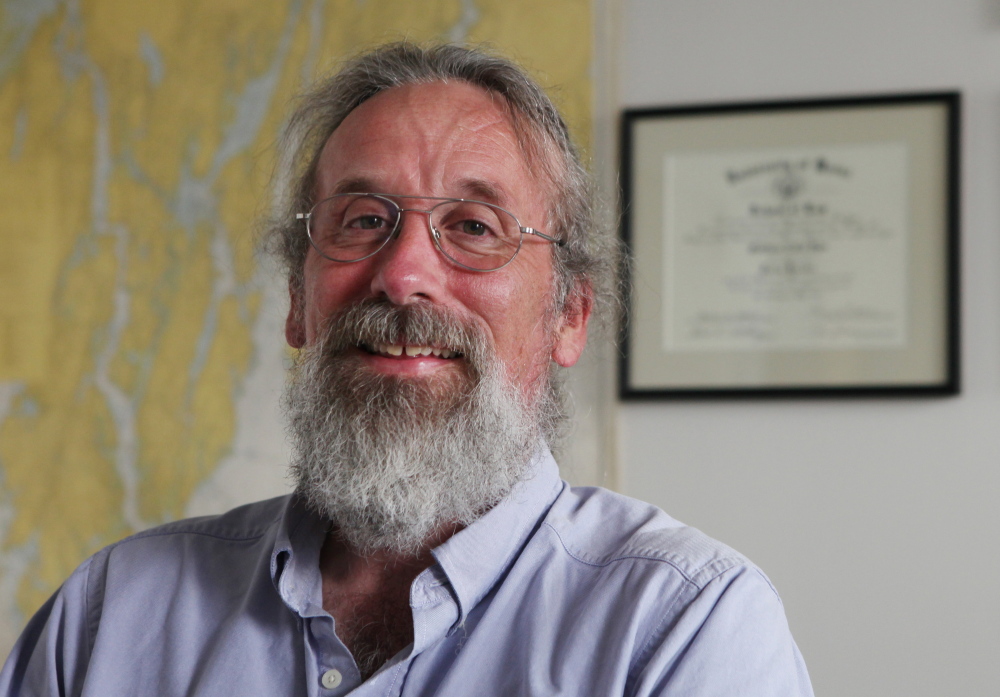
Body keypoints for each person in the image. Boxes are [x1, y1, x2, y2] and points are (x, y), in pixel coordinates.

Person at [0, 43, 813, 696]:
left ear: (569, 313)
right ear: (297, 298)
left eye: (473, 225)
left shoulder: (681, 627)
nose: (403, 273)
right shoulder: (109, 616)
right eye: (362, 220)